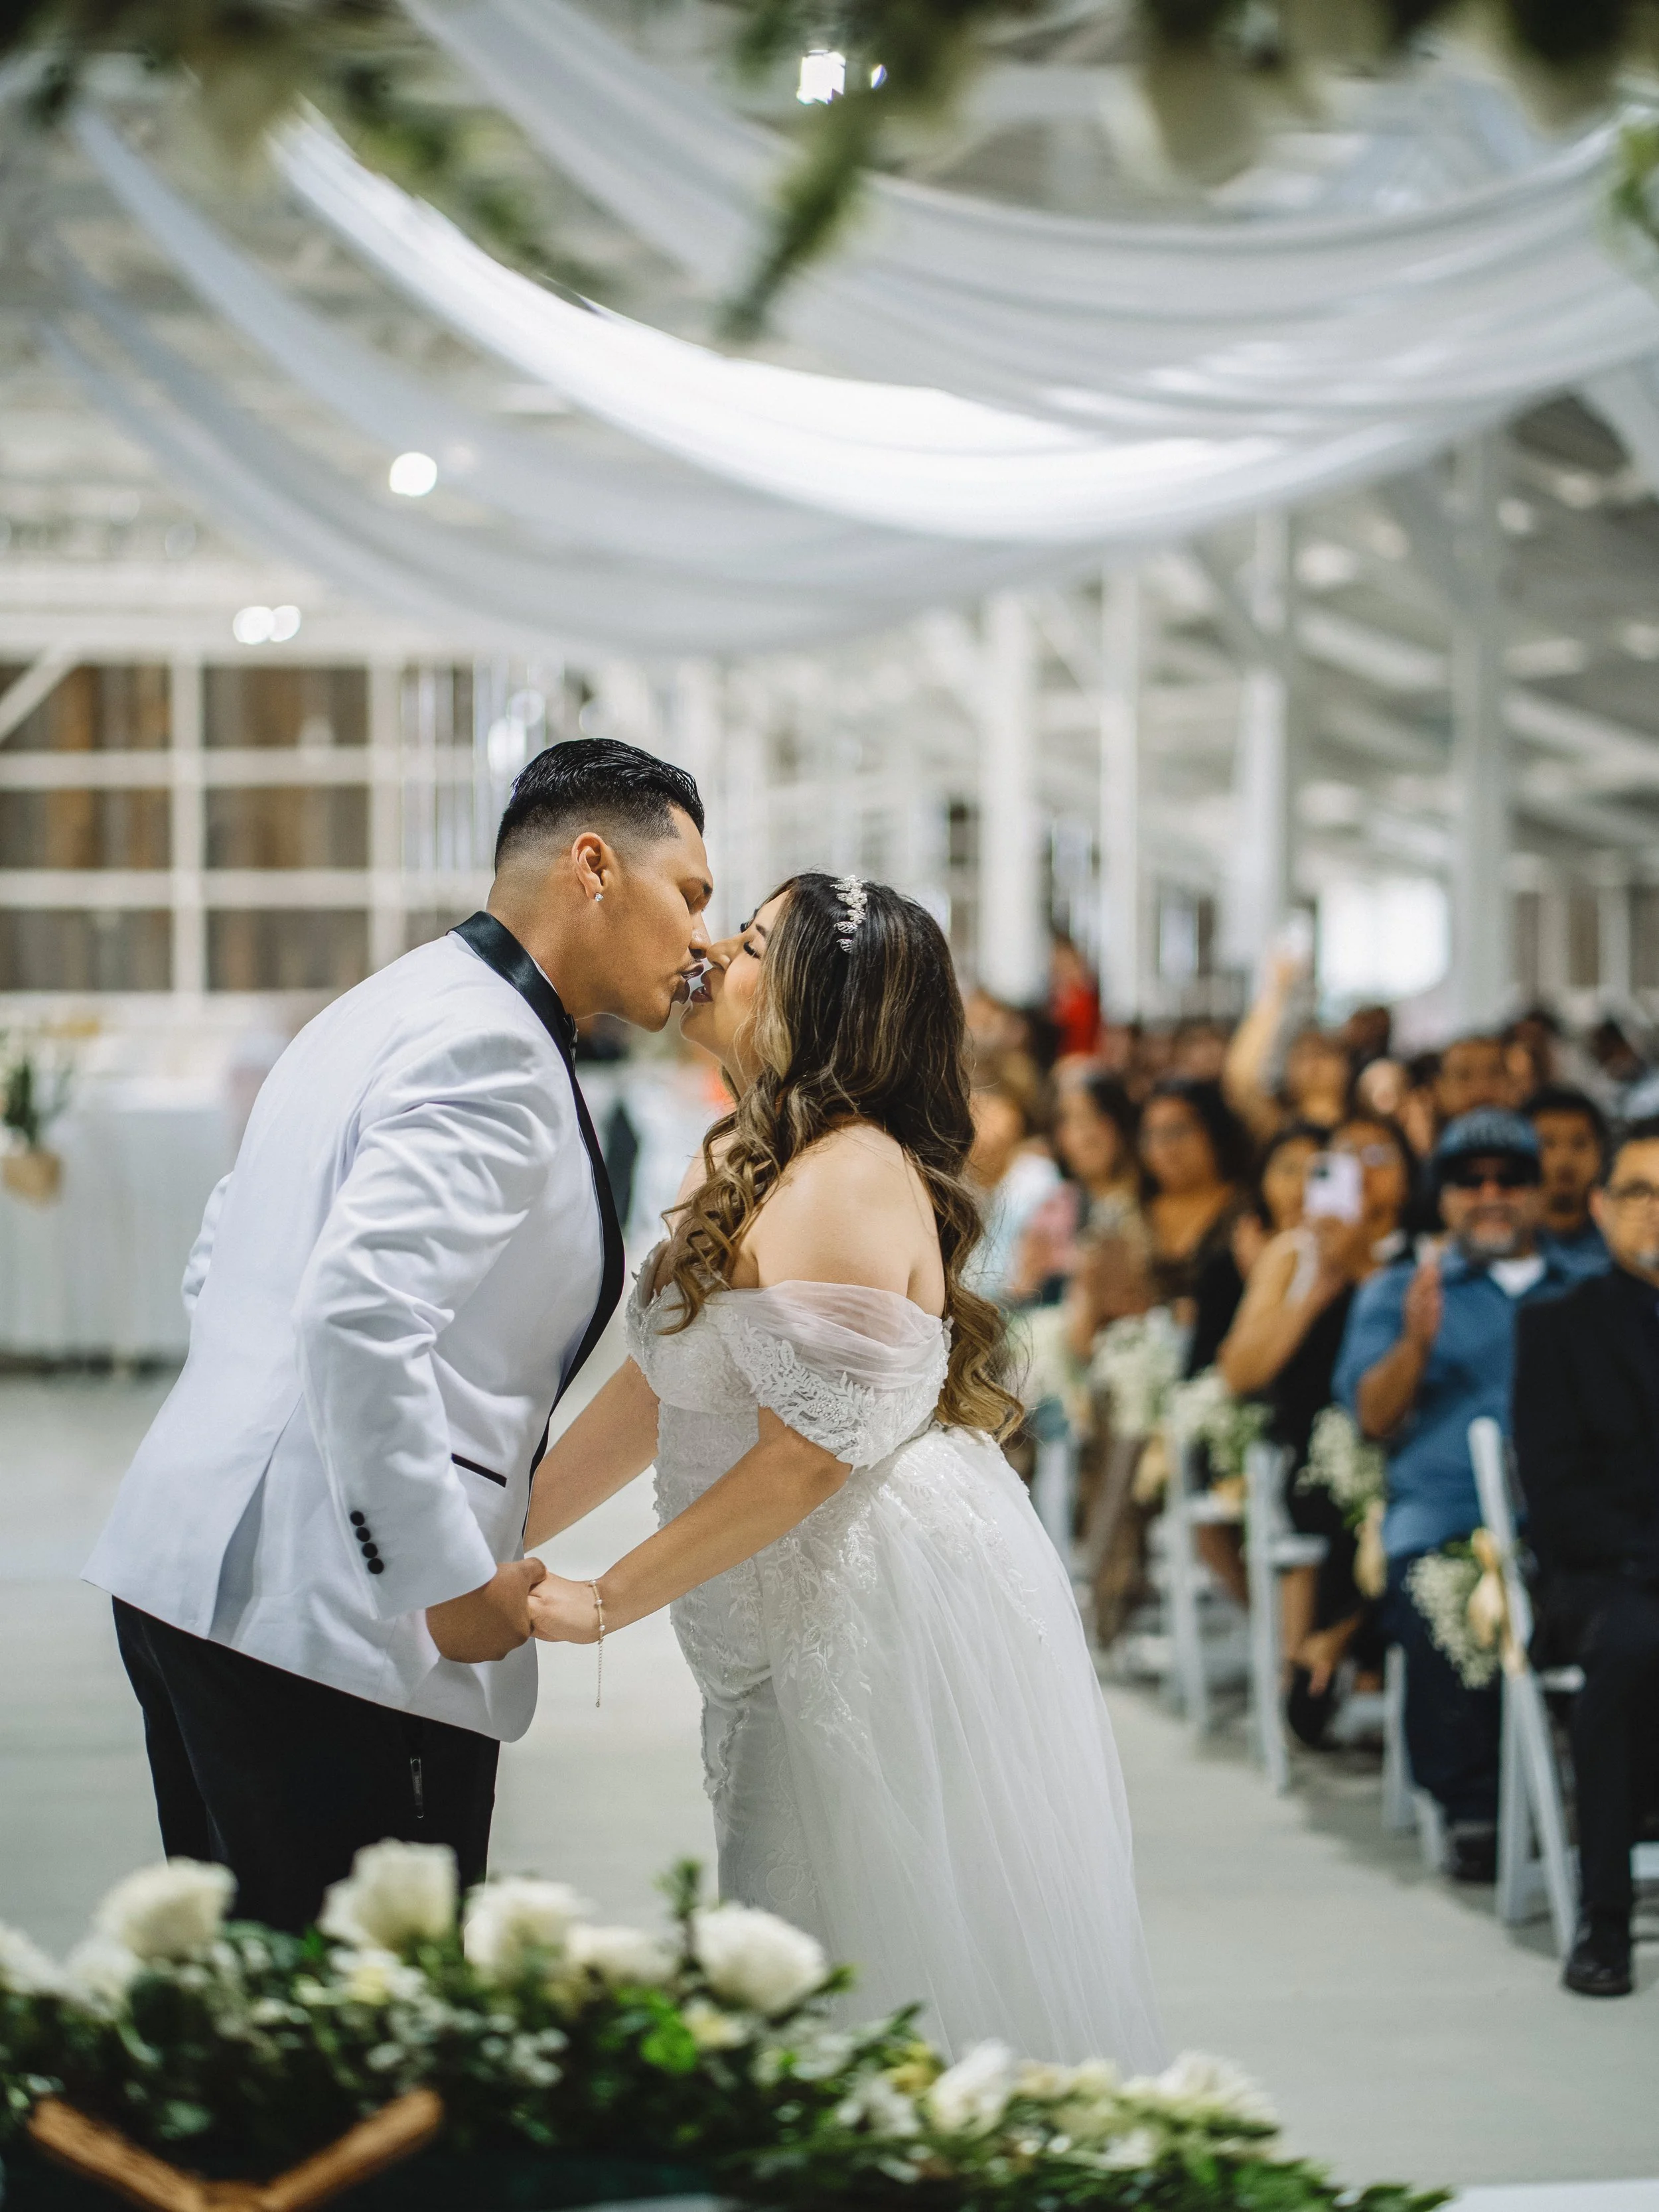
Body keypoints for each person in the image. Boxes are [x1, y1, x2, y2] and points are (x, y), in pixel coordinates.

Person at [522, 875, 1165, 2070]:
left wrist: (608, 1596)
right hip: (774, 1612)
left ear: (824, 1001)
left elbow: (806, 1456)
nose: (712, 948)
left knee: (836, 1973)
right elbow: (657, 1384)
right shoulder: (764, 1156)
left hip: (859, 1613)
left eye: (756, 942)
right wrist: (506, 1516)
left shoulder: (851, 1173)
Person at [84, 740, 713, 1931]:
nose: (699, 936)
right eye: (690, 891)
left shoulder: (382, 1002)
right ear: (594, 865)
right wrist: (445, 1579)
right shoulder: (491, 1047)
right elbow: (360, 1307)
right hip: (329, 1628)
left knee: (265, 2027)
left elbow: (226, 1254)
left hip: (197, 1573)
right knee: (367, 2044)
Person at [1334, 1109, 1575, 1882]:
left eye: (1511, 1178)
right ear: (1443, 1197)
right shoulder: (1401, 1289)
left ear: (1540, 1191)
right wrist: (1415, 1342)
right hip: (1448, 1518)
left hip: (1576, 1525)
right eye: (1470, 1181)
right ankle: (1473, 1804)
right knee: (1432, 1587)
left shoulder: (1592, 1283)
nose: (1491, 1194)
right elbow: (1370, 1418)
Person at [1513, 1117, 1659, 1998]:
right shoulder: (1557, 1325)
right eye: (1639, 1191)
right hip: (1607, 1575)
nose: (1658, 1212)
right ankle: (1605, 1918)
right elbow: (1559, 1497)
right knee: (1633, 1646)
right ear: (1602, 1207)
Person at [1218, 1115, 1413, 1740]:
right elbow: (1241, 1371)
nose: (1361, 1169)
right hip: (1313, 1444)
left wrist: (1365, 1268)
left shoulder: (1428, 1252)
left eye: (1377, 1155)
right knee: (1327, 1490)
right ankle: (1329, 1652)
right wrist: (1320, 1286)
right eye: (1343, 1158)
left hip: (1405, 1441)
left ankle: (1334, 1643)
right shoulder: (1294, 1253)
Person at [1525, 1083, 1611, 1279]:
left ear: (1601, 1153)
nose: (1563, 1160)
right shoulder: (1507, 1244)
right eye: (1547, 1143)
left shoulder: (1619, 1245)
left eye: (1579, 1144)